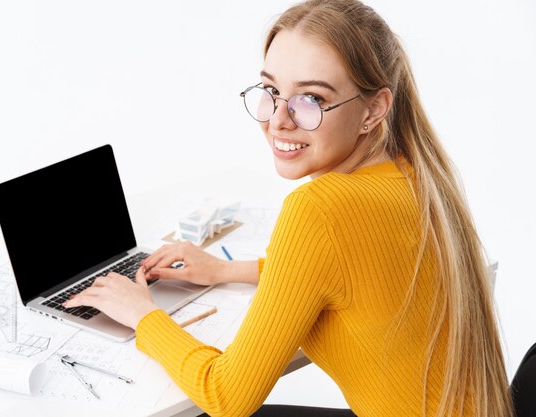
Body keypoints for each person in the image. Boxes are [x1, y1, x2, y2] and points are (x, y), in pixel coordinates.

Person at [63, 0, 512, 415]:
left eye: (311, 98)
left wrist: (144, 317)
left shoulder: (319, 208)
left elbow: (227, 396)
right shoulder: (413, 173)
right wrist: (227, 270)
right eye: (271, 91)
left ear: (374, 109)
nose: (279, 119)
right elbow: (350, 271)